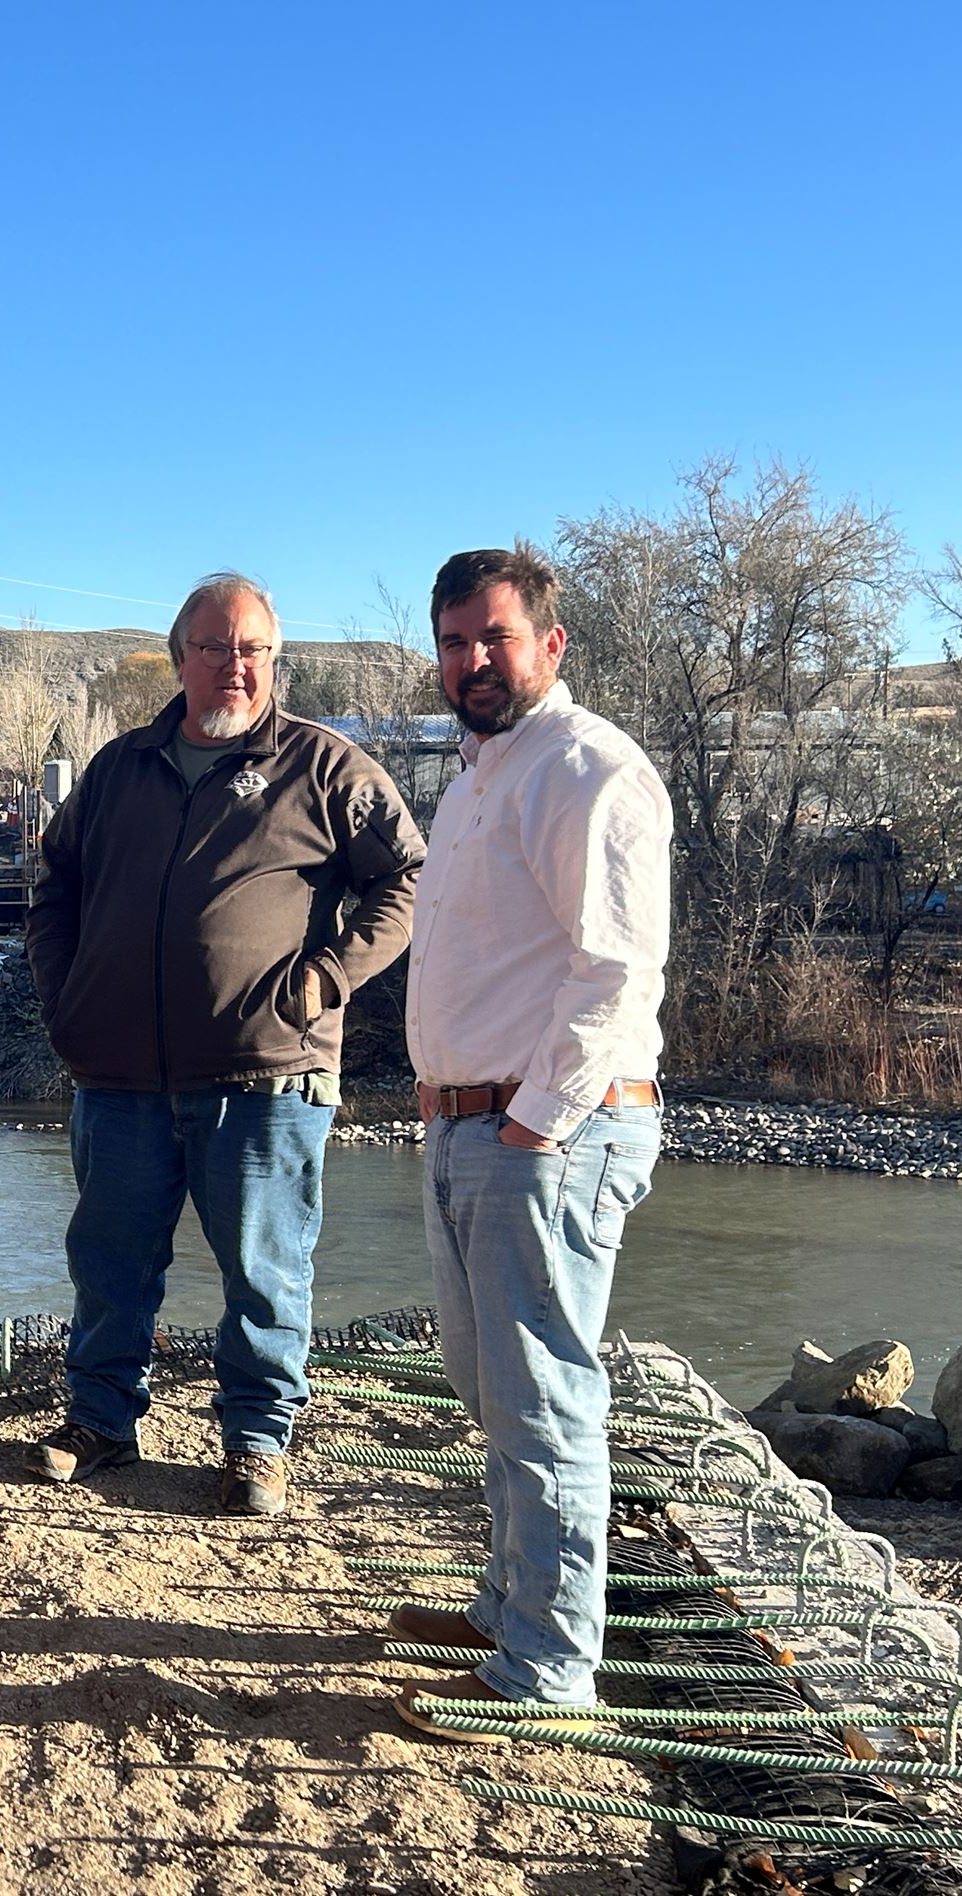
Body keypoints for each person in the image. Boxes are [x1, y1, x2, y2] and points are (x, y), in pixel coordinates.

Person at [26, 573, 423, 1514]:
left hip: (265, 1074)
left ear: (273, 661)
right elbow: (54, 889)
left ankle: (255, 1441)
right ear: (179, 658)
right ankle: (101, 1418)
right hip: (116, 1073)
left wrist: (326, 978)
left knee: (265, 1268)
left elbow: (406, 879)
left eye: (251, 649)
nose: (233, 666)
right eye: (214, 647)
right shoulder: (120, 768)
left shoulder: (326, 769)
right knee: (110, 1260)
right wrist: (64, 998)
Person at [389, 545, 671, 1737]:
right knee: (492, 1388)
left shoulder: (586, 769)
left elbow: (615, 969)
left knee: (544, 1395)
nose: (469, 661)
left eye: (490, 638)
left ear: (549, 645)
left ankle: (548, 1668)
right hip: (476, 1123)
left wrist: (527, 1121)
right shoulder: (478, 774)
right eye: (452, 641)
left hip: (545, 1131)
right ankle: (508, 1607)